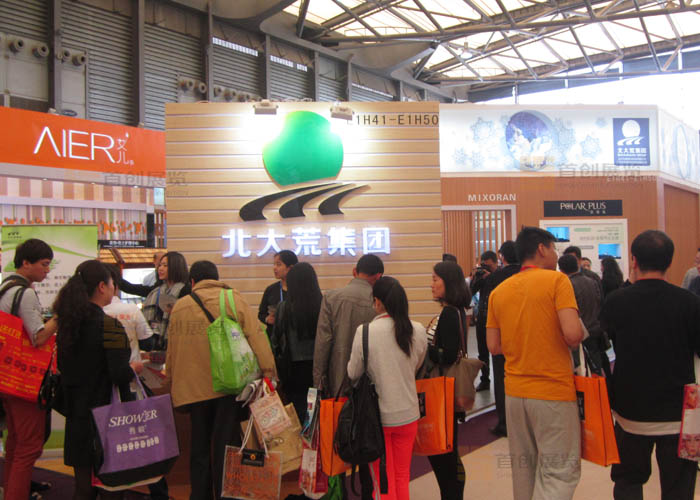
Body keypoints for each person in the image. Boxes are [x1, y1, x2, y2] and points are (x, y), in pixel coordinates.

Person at [601, 230, 700, 500]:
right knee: (679, 486)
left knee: (627, 481)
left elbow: (606, 344)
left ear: (633, 260)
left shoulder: (616, 301)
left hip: (630, 411)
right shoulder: (689, 303)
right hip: (679, 412)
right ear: (670, 261)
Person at [166, 260, 277, 500]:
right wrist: (269, 372)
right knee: (227, 446)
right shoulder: (231, 299)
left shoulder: (181, 306)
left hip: (194, 390)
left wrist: (171, 382)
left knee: (199, 446)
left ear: (192, 281)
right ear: (216, 278)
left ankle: (200, 494)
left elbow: (172, 349)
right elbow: (256, 336)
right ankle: (227, 494)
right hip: (230, 387)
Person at [487, 227, 583, 500]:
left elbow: (494, 346)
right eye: (554, 248)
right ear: (541, 248)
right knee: (559, 472)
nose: (556, 254)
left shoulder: (499, 291)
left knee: (524, 470)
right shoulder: (557, 281)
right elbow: (573, 335)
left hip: (515, 394)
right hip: (552, 391)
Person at [54, 260, 138, 500]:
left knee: (83, 488)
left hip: (77, 416)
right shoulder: (110, 326)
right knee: (112, 487)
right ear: (102, 286)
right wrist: (134, 368)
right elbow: (118, 373)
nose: (113, 288)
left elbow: (63, 368)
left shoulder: (68, 326)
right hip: (108, 416)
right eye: (112, 284)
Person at [347, 277, 427, 500]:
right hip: (409, 414)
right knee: (402, 476)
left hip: (376, 418)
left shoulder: (365, 332)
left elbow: (353, 373)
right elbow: (416, 365)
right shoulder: (417, 330)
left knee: (382, 482)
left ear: (378, 302)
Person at [313, 253, 384, 499]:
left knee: (339, 437)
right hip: (372, 385)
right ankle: (368, 491)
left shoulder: (332, 298)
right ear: (379, 277)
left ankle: (342, 492)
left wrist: (318, 382)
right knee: (369, 435)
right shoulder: (380, 301)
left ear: (355, 271)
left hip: (338, 382)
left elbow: (322, 344)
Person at [0, 239, 58, 500]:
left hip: (6, 375)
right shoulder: (25, 293)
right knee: (29, 446)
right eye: (44, 264)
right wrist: (59, 317)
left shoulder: (4, 287)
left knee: (15, 442)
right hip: (24, 379)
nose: (47, 270)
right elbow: (38, 337)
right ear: (26, 263)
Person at [427, 260, 471, 500]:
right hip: (448, 390)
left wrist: (423, 348)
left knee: (444, 454)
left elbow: (449, 354)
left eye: (435, 279)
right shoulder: (456, 311)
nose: (431, 284)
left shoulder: (449, 313)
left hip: (442, 390)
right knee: (447, 453)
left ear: (449, 282)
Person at [478, 241, 520, 437]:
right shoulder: (529, 276)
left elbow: (487, 308)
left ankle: (504, 422)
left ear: (502, 257)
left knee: (502, 379)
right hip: (525, 335)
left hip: (502, 336)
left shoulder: (495, 278)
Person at [271, 262, 322, 421]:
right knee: (318, 414)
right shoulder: (323, 305)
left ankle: (301, 437)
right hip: (318, 368)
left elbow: (276, 341)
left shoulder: (283, 308)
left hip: (292, 370)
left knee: (298, 414)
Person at [559, 254, 605, 373]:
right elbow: (599, 302)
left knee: (581, 369)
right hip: (595, 329)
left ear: (561, 269)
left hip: (579, 333)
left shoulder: (567, 285)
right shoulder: (592, 281)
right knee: (596, 366)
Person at [104, 266, 154, 362]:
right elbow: (147, 344)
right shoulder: (132, 310)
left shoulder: (85, 312)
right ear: (116, 285)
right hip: (130, 365)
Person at [142, 251, 190, 350]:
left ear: (176, 267)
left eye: (165, 265)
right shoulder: (157, 291)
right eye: (160, 265)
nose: (160, 268)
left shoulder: (185, 290)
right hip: (157, 342)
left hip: (178, 342)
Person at [469, 251, 498, 392]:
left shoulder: (500, 275)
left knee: (497, 351)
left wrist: (491, 276)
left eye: (488, 266)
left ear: (495, 263)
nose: (485, 268)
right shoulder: (481, 276)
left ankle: (500, 380)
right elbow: (471, 291)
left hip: (497, 318)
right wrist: (476, 278)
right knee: (482, 351)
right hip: (482, 317)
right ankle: (484, 380)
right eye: (484, 265)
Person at [258, 250, 298, 338]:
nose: (274, 268)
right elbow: (261, 314)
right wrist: (267, 319)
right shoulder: (271, 289)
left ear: (290, 268)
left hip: (296, 337)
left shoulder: (301, 289)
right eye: (274, 264)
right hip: (275, 337)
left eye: (278, 264)